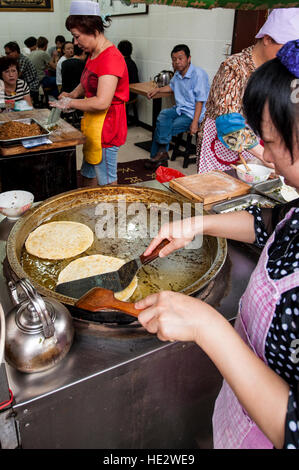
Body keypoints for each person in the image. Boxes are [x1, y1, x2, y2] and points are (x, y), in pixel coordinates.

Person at [135, 40, 299, 449]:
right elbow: (272, 225)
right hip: (235, 416)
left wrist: (208, 326)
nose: (266, 157)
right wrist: (198, 223)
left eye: (273, 141)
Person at [196, 8, 299, 174]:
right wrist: (267, 157)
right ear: (267, 39)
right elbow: (228, 125)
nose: (287, 56)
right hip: (220, 141)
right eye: (284, 49)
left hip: (254, 144)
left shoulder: (274, 70)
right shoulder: (233, 67)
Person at [51, 0, 129, 187]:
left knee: (107, 179)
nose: (75, 43)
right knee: (88, 166)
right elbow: (87, 82)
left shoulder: (110, 58)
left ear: (93, 30)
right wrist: (72, 94)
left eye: (77, 37)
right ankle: (87, 207)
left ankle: (111, 212)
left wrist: (69, 103)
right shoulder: (94, 53)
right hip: (93, 122)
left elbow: (102, 102)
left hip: (107, 126)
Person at [144, 44, 209, 170]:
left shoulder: (199, 74)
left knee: (163, 127)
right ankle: (161, 155)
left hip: (193, 113)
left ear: (189, 58)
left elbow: (200, 102)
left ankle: (157, 157)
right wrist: (158, 90)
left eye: (180, 58)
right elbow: (171, 87)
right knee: (162, 116)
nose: (177, 62)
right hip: (180, 109)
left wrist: (195, 123)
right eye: (174, 59)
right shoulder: (178, 74)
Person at [4, 41, 39, 106]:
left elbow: (28, 106)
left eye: (8, 53)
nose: (11, 74)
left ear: (16, 51)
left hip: (31, 86)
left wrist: (10, 105)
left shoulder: (22, 60)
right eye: (6, 71)